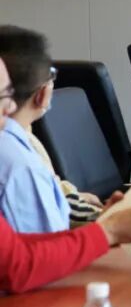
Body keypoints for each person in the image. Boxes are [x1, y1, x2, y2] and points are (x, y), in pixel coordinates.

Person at [0, 55, 131, 294]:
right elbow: (17, 267)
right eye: (3, 96)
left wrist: (102, 229)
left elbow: (15, 250)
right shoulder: (15, 159)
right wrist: (107, 232)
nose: (11, 107)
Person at [0, 26, 110, 226]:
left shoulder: (23, 141)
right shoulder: (20, 163)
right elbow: (50, 238)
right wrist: (110, 225)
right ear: (42, 94)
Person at [0, 28, 70, 233]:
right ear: (42, 93)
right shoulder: (20, 164)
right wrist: (108, 231)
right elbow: (51, 245)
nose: (11, 105)